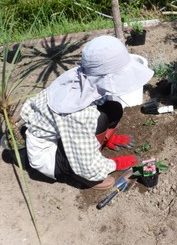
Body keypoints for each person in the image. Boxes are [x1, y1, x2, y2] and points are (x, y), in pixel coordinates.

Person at [20, 36, 154, 190]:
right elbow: (85, 163)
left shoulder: (84, 75)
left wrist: (106, 138)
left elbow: (102, 104)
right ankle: (80, 176)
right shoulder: (77, 113)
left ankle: (97, 144)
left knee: (114, 108)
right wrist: (115, 163)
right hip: (49, 154)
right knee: (99, 123)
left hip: (65, 131)